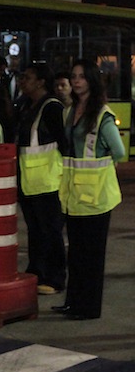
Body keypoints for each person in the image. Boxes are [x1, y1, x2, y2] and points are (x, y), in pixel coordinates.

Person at [54, 59, 126, 320]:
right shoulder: (71, 110)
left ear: (92, 80)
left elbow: (118, 151)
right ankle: (73, 302)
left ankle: (88, 307)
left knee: (91, 256)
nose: (76, 80)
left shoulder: (101, 114)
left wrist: (100, 162)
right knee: (76, 253)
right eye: (73, 76)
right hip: (75, 196)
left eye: (82, 76)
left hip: (96, 196)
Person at [16, 63, 67, 295]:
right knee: (36, 231)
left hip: (48, 181)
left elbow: (64, 144)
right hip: (29, 181)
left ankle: (55, 278)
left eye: (27, 77)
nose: (22, 81)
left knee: (51, 231)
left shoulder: (51, 107)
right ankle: (36, 272)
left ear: (41, 82)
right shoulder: (26, 105)